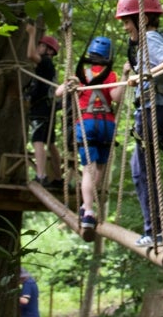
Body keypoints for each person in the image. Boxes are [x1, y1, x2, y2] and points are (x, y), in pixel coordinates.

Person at [116, 0, 163, 247]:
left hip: (155, 110)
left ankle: (155, 230)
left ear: (141, 20)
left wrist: (143, 76)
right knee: (140, 169)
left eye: (127, 22)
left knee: (142, 171)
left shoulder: (150, 39)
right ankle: (160, 219)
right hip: (157, 108)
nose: (125, 28)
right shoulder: (150, 40)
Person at [55, 36, 122, 242]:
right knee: (99, 167)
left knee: (89, 169)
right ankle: (87, 205)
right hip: (107, 125)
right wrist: (125, 78)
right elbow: (117, 97)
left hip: (87, 124)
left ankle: (89, 210)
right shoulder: (111, 75)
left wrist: (71, 84)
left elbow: (58, 93)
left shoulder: (81, 74)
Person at [25, 22, 62, 187]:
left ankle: (41, 175)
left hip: (41, 108)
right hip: (48, 108)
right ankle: (58, 178)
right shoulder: (47, 67)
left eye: (41, 46)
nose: (38, 47)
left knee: (38, 139)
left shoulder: (46, 62)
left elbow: (31, 55)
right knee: (51, 142)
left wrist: (32, 34)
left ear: (49, 51)